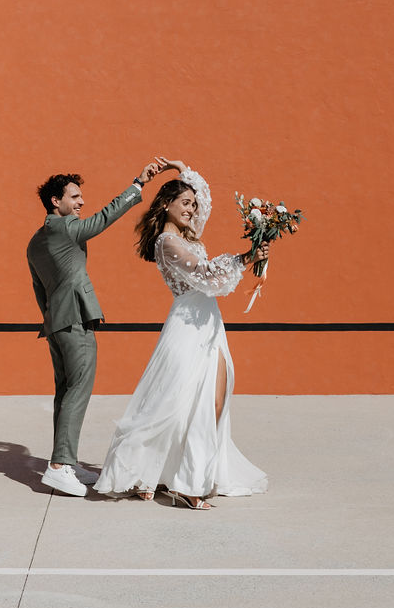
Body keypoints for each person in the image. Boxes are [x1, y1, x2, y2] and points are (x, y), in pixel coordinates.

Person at [94, 159, 268, 509]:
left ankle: (177, 474)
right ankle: (185, 484)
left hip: (210, 325)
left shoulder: (188, 234)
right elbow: (205, 275)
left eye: (194, 204)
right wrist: (246, 257)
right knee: (171, 406)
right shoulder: (167, 243)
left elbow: (202, 194)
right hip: (188, 327)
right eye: (185, 203)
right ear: (166, 206)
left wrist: (179, 167)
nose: (193, 209)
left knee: (215, 402)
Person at [28, 160, 161, 497]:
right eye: (75, 196)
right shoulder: (64, 227)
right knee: (79, 389)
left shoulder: (34, 242)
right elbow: (102, 220)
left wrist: (52, 318)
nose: (81, 202)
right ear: (55, 202)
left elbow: (39, 289)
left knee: (66, 391)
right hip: (75, 318)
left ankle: (65, 461)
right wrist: (137, 185)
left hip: (56, 322)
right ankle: (59, 466)